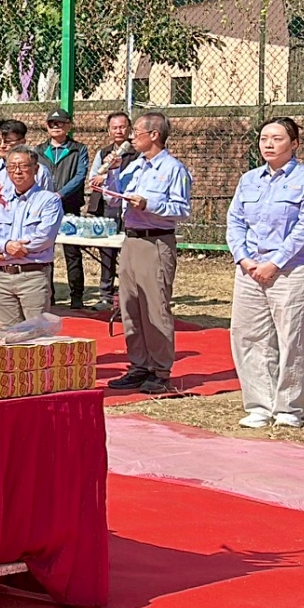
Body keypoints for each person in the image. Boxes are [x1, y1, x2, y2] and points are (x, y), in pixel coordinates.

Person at [228, 117, 304, 429]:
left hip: (290, 271)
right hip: (250, 270)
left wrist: (275, 263)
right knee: (249, 337)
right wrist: (243, 259)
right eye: (264, 138)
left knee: (292, 340)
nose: (269, 144)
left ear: (294, 143)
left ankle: (289, 409)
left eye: (277, 138)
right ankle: (259, 405)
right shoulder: (249, 180)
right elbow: (236, 221)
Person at [104, 111, 192, 396]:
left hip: (155, 242)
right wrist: (110, 173)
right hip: (130, 240)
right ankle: (138, 365)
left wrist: (148, 203)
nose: (131, 138)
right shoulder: (135, 166)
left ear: (154, 135)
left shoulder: (173, 169)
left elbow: (182, 210)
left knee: (155, 307)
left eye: (137, 133)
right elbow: (111, 196)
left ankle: (160, 369)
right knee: (129, 306)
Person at [0, 148, 62, 327]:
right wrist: (6, 245)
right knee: (10, 337)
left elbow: (44, 237)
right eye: (12, 167)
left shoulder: (49, 200)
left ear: (36, 169)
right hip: (2, 278)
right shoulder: (0, 201)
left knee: (37, 335)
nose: (17, 171)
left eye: (23, 166)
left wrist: (4, 253)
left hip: (32, 277)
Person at [37, 109, 91, 307]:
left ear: (68, 126)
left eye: (60, 123)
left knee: (72, 252)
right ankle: (47, 294)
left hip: (69, 205)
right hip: (44, 209)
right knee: (44, 250)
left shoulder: (79, 149)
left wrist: (60, 194)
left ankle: (77, 295)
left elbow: (79, 176)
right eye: (52, 123)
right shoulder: (39, 150)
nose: (56, 127)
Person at [86, 111, 136, 309]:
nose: (119, 131)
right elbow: (94, 179)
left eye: (122, 127)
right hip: (107, 206)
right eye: (114, 127)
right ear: (108, 130)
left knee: (127, 251)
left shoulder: (137, 153)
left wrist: (109, 176)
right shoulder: (104, 152)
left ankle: (126, 293)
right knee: (107, 250)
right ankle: (105, 293)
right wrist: (104, 175)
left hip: (129, 206)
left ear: (129, 129)